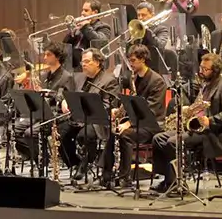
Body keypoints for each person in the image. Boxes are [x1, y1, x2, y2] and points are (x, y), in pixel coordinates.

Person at [151, 53, 222, 193]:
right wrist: (189, 110)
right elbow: (200, 105)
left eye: (205, 69)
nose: (201, 72)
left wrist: (210, 121)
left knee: (173, 142)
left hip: (214, 133)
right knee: (158, 139)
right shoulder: (206, 84)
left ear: (215, 70)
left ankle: (178, 183)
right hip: (198, 128)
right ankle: (168, 179)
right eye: (201, 68)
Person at [59, 48, 119, 180]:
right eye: (82, 62)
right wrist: (64, 100)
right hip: (78, 118)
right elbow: (65, 92)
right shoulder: (79, 77)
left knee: (84, 135)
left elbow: (107, 107)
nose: (83, 64)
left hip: (97, 121)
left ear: (97, 62)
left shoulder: (109, 80)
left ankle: (86, 163)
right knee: (60, 133)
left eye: (87, 61)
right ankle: (74, 163)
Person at [14, 41, 76, 164]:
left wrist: (48, 93)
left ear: (57, 57)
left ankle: (43, 161)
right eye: (45, 54)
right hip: (40, 111)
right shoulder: (44, 75)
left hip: (55, 114)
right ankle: (34, 155)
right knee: (15, 128)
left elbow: (65, 98)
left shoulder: (67, 77)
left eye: (48, 55)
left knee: (30, 133)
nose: (45, 57)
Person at [114, 45, 167, 187]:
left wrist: (129, 123)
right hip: (139, 122)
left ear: (143, 59)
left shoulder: (157, 81)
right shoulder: (135, 78)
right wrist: (119, 111)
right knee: (113, 131)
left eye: (133, 60)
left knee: (125, 134)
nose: (130, 64)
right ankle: (108, 172)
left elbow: (150, 110)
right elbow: (133, 102)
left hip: (153, 125)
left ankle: (125, 177)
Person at [63, 0, 112, 69]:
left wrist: (86, 27)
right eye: (82, 10)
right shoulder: (80, 26)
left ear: (95, 12)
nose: (82, 13)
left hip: (91, 65)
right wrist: (72, 32)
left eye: (86, 10)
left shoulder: (104, 27)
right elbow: (65, 44)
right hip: (74, 65)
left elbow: (100, 42)